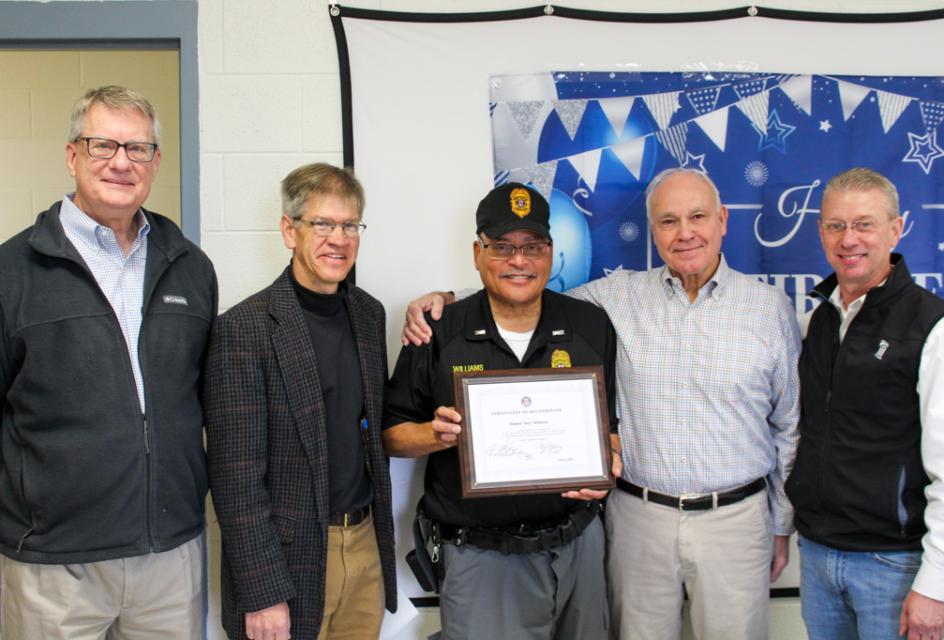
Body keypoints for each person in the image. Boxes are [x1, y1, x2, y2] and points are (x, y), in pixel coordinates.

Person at [403, 168, 801, 640]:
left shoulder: (769, 308)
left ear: (723, 221)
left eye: (698, 216)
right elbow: (522, 290)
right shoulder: (616, 298)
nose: (685, 232)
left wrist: (780, 525)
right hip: (640, 519)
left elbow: (788, 426)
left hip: (736, 519)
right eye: (669, 221)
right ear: (653, 232)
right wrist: (445, 302)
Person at [0, 85, 217, 638]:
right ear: (73, 155)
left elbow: (205, 398)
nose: (121, 162)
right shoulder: (12, 272)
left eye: (138, 148)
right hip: (54, 565)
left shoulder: (191, 267)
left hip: (170, 558)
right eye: (104, 145)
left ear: (156, 162)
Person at [384, 183, 619, 639]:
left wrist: (610, 456)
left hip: (579, 548)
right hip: (481, 556)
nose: (519, 260)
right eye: (503, 248)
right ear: (478, 252)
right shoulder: (437, 329)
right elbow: (390, 435)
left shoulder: (590, 325)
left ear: (550, 252)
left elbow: (609, 429)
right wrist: (436, 435)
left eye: (532, 246)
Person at [204, 162, 396, 640]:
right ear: (289, 231)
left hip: (365, 545)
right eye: (323, 224)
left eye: (350, 225)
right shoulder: (244, 330)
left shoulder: (368, 315)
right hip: (290, 559)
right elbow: (235, 477)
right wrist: (262, 590)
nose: (339, 238)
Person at [785, 167, 944, 640]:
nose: (849, 239)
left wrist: (937, 585)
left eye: (864, 224)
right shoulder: (816, 322)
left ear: (895, 229)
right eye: (836, 225)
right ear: (821, 231)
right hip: (819, 557)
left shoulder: (938, 329)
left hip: (894, 565)